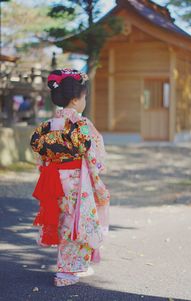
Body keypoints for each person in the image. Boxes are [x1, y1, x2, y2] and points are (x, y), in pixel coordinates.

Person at [30, 68, 110, 287]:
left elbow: (40, 154)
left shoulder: (47, 125)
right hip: (77, 179)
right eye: (84, 97)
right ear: (75, 99)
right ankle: (66, 272)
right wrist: (97, 178)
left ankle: (77, 265)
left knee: (64, 220)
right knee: (76, 222)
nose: (85, 101)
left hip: (55, 177)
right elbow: (94, 155)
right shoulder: (82, 124)